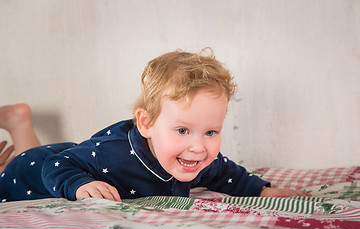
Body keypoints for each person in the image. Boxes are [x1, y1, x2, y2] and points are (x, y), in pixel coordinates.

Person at [0, 49, 311, 203]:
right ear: (146, 123)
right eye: (182, 130)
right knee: (26, 164)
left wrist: (264, 190)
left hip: (69, 158)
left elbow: (226, 173)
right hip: (30, 172)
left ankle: (18, 121)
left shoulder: (195, 157)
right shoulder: (115, 154)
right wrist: (78, 186)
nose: (199, 146)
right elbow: (55, 164)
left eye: (211, 132)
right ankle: (18, 123)